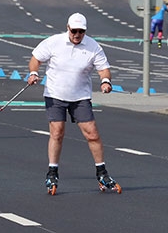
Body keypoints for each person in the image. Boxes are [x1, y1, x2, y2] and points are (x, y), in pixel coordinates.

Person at [26, 13, 120, 195]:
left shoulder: (93, 46)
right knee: (57, 132)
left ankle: (102, 173)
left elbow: (103, 68)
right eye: (74, 30)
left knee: (92, 134)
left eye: (81, 31)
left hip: (80, 97)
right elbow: (35, 58)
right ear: (67, 28)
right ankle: (52, 172)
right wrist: (33, 73)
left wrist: (106, 81)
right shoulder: (54, 42)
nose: (77, 34)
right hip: (55, 95)